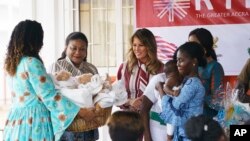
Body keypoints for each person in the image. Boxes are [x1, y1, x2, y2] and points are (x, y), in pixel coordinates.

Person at [3, 20, 92, 141]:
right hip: (34, 123)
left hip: (16, 122)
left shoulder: (13, 65)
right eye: (40, 38)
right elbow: (49, 95)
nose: (42, 43)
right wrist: (79, 111)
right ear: (34, 39)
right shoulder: (32, 63)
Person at [49, 32, 99, 141]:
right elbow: (54, 96)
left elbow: (98, 93)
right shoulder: (57, 66)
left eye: (82, 49)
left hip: (89, 124)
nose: (78, 52)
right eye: (73, 48)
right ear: (66, 48)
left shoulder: (92, 69)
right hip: (67, 125)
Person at [160, 42, 207, 141]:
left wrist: (161, 89)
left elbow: (174, 107)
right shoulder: (189, 81)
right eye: (177, 60)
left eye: (181, 60)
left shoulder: (192, 84)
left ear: (194, 61)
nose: (177, 64)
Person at [117, 28, 164, 111]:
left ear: (149, 47)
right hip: (129, 118)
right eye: (134, 45)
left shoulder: (161, 68)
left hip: (153, 118)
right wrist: (130, 102)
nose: (136, 49)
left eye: (141, 45)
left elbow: (163, 97)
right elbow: (117, 96)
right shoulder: (124, 67)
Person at [140, 60, 182, 141]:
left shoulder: (186, 80)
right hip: (158, 130)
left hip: (178, 130)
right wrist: (147, 138)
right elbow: (143, 109)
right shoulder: (160, 79)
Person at [188, 28, 225, 118]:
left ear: (204, 47)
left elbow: (217, 102)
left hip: (206, 121)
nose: (189, 48)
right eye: (188, 44)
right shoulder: (190, 65)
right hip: (189, 119)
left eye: (193, 44)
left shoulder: (215, 67)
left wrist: (197, 93)